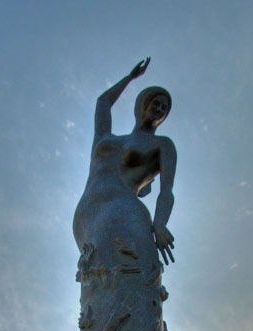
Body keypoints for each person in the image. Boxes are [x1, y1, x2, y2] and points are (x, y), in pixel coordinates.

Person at [73, 58, 176, 267]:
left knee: (120, 277)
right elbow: (103, 103)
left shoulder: (162, 145)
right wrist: (130, 78)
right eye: (156, 103)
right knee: (95, 278)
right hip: (86, 213)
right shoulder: (105, 137)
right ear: (143, 104)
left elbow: (167, 189)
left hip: (123, 210)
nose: (159, 109)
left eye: (164, 108)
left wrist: (160, 223)